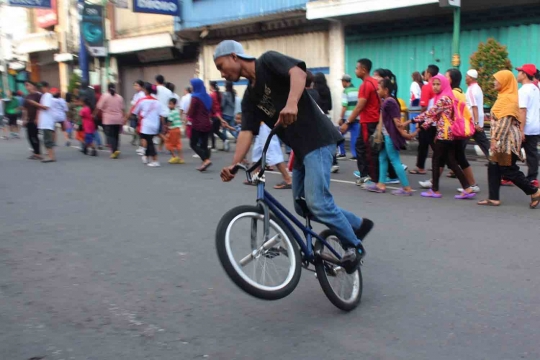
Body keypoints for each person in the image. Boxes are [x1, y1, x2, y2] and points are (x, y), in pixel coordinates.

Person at [214, 40, 373, 270]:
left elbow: (297, 71)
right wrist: (234, 164)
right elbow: (247, 131)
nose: (222, 73)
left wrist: (291, 103)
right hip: (301, 150)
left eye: (221, 65)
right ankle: (357, 224)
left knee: (318, 202)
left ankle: (354, 246)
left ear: (234, 56)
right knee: (303, 207)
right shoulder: (250, 97)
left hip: (318, 139)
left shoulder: (267, 61)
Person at [478, 70, 540, 208]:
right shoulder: (503, 97)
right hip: (501, 139)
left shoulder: (509, 99)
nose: (494, 82)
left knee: (508, 170)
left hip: (506, 141)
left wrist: (494, 140)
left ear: (505, 82)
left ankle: (534, 191)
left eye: (497, 80)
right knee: (493, 166)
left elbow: (504, 122)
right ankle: (493, 198)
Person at [412, 74, 476, 199]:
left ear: (444, 84)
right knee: (451, 162)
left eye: (438, 84)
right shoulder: (444, 97)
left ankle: (435, 190)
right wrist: (422, 127)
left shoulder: (444, 99)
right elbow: (435, 117)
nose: (435, 87)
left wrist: (413, 120)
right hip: (447, 134)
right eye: (433, 84)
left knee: (436, 160)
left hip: (444, 134)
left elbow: (431, 112)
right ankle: (467, 188)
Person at [365, 78, 418, 196]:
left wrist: (406, 134)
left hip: (389, 136)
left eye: (379, 89)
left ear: (386, 90)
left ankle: (406, 188)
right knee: (382, 158)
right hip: (386, 136)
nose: (377, 91)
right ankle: (381, 184)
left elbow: (396, 121)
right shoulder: (386, 101)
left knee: (394, 160)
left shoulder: (390, 102)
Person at [341, 59, 382, 186]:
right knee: (369, 148)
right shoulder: (375, 82)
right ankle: (371, 175)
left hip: (367, 121)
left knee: (365, 149)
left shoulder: (365, 85)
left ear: (363, 70)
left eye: (356, 68)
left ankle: (367, 176)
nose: (355, 71)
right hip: (374, 120)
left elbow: (359, 106)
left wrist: (347, 122)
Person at [410, 64, 439, 175]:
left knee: (423, 144)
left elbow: (424, 106)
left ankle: (420, 167)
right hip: (437, 119)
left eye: (425, 73)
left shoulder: (427, 87)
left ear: (429, 74)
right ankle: (445, 164)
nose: (424, 75)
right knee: (434, 144)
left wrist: (418, 121)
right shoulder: (439, 86)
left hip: (427, 119)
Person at [517, 64, 540, 188]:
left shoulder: (523, 90)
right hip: (535, 126)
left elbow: (522, 111)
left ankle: (508, 175)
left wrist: (521, 130)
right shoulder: (535, 89)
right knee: (532, 153)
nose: (518, 74)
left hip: (526, 127)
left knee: (511, 151)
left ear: (524, 74)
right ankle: (532, 178)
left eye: (519, 72)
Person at [131, 83, 161, 167]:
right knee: (148, 140)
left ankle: (155, 160)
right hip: (155, 124)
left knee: (149, 142)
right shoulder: (157, 101)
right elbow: (161, 114)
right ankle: (146, 157)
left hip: (146, 125)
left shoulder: (142, 100)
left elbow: (135, 111)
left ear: (146, 91)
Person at [188, 78, 213, 171]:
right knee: (204, 144)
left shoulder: (195, 98)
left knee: (193, 144)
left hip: (198, 124)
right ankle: (204, 163)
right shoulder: (208, 97)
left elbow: (191, 112)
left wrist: (187, 115)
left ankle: (206, 160)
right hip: (207, 123)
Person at [465, 69, 490, 160]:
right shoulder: (477, 88)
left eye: (467, 76)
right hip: (476, 121)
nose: (466, 78)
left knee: (460, 144)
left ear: (471, 78)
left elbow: (474, 107)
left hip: (472, 122)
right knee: (484, 144)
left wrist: (475, 123)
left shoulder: (471, 90)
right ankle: (495, 162)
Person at [96, 83, 125, 159]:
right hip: (118, 119)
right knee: (116, 135)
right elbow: (122, 109)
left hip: (108, 120)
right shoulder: (119, 97)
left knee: (110, 135)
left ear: (107, 89)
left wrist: (93, 114)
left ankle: (114, 150)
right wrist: (123, 118)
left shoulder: (105, 96)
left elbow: (99, 107)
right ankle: (116, 149)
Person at [337, 74, 360, 161]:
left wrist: (341, 117)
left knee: (339, 134)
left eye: (342, 81)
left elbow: (344, 106)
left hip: (347, 118)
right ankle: (355, 155)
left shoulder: (345, 91)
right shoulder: (357, 89)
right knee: (354, 136)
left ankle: (342, 153)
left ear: (345, 81)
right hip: (356, 117)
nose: (341, 83)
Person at [22, 81, 42, 159]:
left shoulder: (38, 95)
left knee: (34, 136)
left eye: (28, 85)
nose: (26, 87)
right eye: (25, 86)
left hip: (36, 119)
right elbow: (25, 109)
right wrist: (24, 119)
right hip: (29, 119)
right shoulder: (27, 97)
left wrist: (37, 118)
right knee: (29, 136)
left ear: (33, 86)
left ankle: (38, 153)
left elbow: (40, 108)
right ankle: (35, 152)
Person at [209, 81, 230, 151]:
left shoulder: (211, 95)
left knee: (212, 131)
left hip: (214, 115)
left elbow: (210, 106)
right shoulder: (220, 94)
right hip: (220, 114)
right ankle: (225, 139)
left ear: (211, 86)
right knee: (216, 130)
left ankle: (213, 146)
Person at [155, 75, 173, 152]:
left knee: (156, 132)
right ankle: (160, 147)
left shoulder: (155, 90)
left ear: (156, 81)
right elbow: (171, 102)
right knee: (164, 131)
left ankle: (168, 143)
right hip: (167, 113)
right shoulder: (168, 91)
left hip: (158, 114)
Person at [166, 98, 184, 164]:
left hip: (173, 129)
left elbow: (170, 122)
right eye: (169, 104)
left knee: (169, 143)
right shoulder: (177, 111)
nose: (169, 105)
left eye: (170, 104)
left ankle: (174, 157)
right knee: (178, 143)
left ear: (174, 105)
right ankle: (181, 158)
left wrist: (167, 128)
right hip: (178, 129)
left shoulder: (171, 113)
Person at [131, 80, 145, 147]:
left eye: (136, 85)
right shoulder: (136, 95)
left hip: (140, 113)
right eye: (134, 85)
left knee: (139, 128)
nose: (135, 87)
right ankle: (137, 140)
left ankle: (141, 142)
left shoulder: (142, 94)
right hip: (136, 113)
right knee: (136, 127)